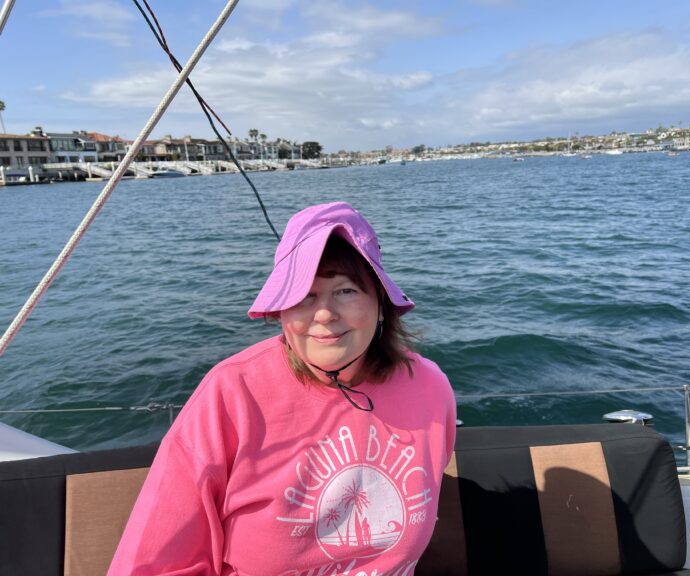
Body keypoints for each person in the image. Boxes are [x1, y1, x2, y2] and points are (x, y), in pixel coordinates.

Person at [108, 201, 457, 576]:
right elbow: (155, 563)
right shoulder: (231, 394)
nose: (324, 313)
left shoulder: (428, 387)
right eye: (304, 295)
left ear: (381, 302)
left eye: (346, 290)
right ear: (281, 310)